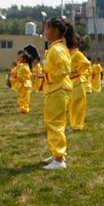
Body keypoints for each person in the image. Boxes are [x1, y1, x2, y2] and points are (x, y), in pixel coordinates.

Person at [39, 17, 73, 170]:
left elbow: (65, 68)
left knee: (55, 123)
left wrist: (49, 77)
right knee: (53, 122)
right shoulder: (55, 48)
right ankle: (57, 154)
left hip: (57, 89)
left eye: (46, 28)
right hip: (55, 89)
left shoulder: (57, 49)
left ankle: (59, 159)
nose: (44, 31)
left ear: (54, 31)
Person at [69, 36, 91, 130]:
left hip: (77, 81)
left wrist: (77, 70)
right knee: (73, 105)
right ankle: (74, 124)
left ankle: (77, 125)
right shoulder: (71, 54)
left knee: (77, 105)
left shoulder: (77, 53)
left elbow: (86, 63)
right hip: (72, 82)